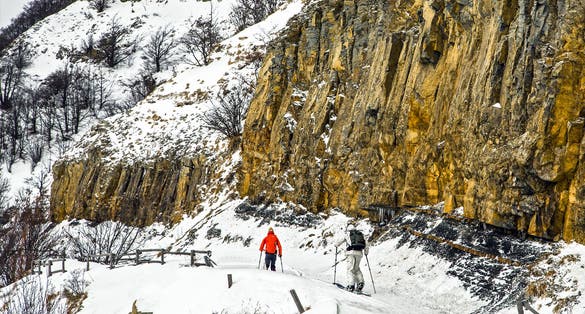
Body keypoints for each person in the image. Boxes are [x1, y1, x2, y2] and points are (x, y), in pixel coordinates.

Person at [336, 224, 368, 292]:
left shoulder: (348, 234)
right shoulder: (361, 234)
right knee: (356, 269)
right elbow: (366, 244)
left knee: (350, 269)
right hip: (359, 253)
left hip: (351, 253)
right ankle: (360, 283)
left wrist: (336, 245)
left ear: (348, 229)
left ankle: (351, 286)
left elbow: (339, 241)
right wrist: (366, 252)